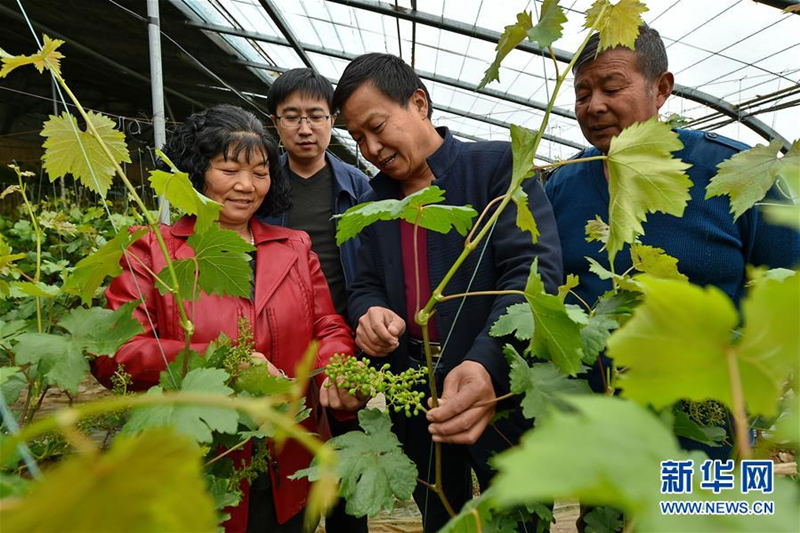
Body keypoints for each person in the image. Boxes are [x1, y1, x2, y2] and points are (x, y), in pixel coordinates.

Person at [544, 25, 800, 530]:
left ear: (662, 88)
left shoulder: (733, 172)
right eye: (581, 93)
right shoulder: (563, 187)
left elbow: (788, 279)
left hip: (712, 437)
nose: (593, 106)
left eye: (611, 89)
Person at [92, 104, 366, 533]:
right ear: (198, 171)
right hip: (198, 462)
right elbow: (114, 354)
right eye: (229, 169)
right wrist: (220, 361)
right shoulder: (154, 250)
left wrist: (336, 367)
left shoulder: (294, 246)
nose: (247, 185)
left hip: (289, 456)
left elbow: (327, 326)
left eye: (260, 172)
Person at [332, 53, 563, 531]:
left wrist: (487, 362)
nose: (371, 148)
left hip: (497, 388)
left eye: (377, 126)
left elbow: (532, 271)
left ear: (419, 103)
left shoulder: (496, 168)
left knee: (517, 515)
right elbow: (364, 284)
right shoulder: (371, 204)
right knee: (439, 511)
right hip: (414, 394)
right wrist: (370, 311)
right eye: (358, 138)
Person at [264, 68, 370, 533]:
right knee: (290, 449)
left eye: (316, 116)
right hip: (281, 337)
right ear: (275, 122)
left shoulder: (358, 186)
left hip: (341, 334)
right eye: (292, 117)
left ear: (333, 121)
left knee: (348, 444)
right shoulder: (263, 185)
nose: (305, 129)